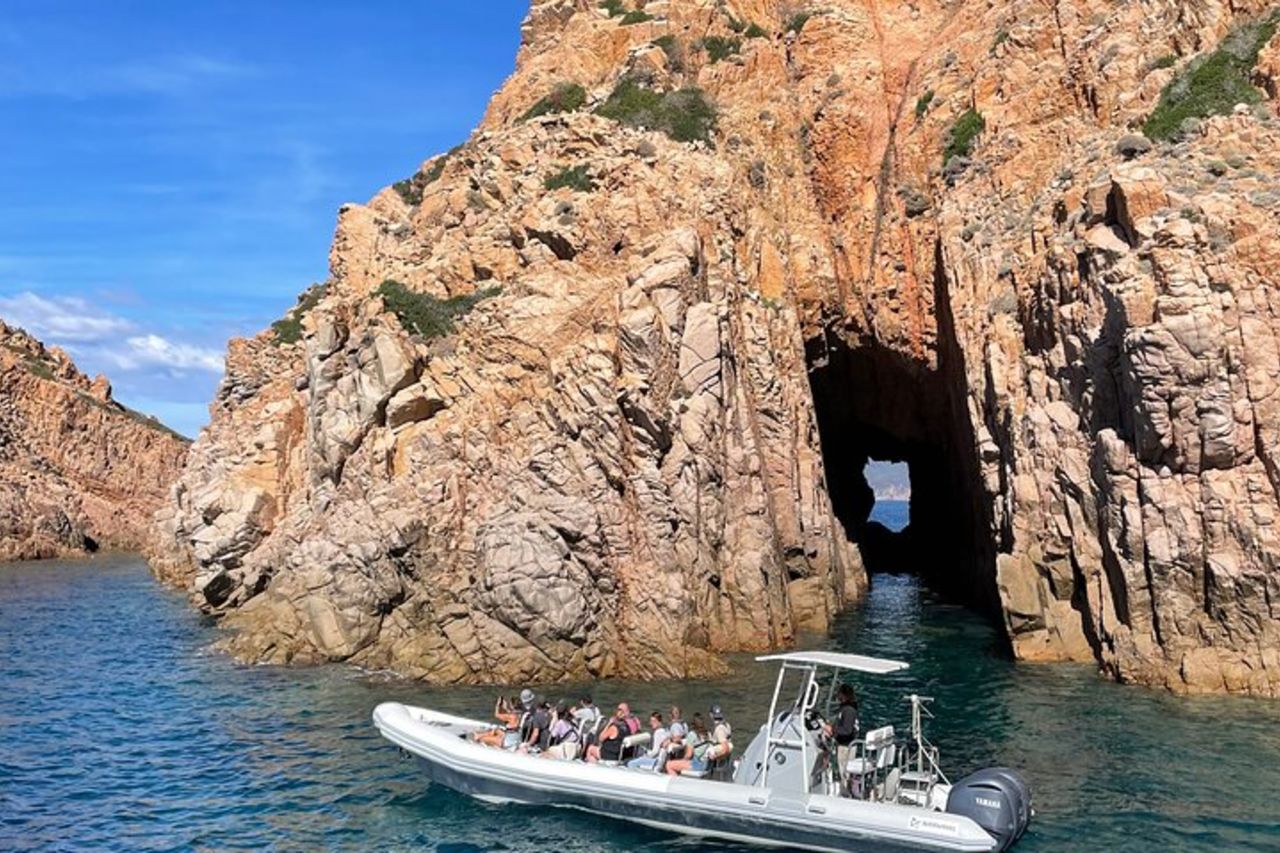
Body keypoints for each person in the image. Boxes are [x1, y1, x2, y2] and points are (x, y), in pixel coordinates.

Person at [666, 705, 731, 776]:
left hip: (698, 764)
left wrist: (682, 760)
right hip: (708, 764)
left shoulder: (692, 735)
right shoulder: (708, 733)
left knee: (669, 765)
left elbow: (689, 755)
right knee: (679, 764)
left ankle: (677, 782)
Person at [824, 683, 860, 791]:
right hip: (844, 745)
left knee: (844, 772)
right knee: (844, 771)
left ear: (844, 695)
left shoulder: (848, 710)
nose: (837, 696)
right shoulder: (846, 708)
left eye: (839, 694)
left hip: (846, 746)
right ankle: (847, 789)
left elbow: (847, 730)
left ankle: (846, 792)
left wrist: (832, 730)